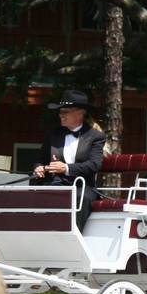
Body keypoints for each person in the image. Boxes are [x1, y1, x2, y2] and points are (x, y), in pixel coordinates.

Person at [32, 89, 105, 230]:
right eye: (60, 112)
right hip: (56, 184)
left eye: (65, 111)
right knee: (39, 194)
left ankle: (74, 236)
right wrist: (39, 167)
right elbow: (40, 159)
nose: (61, 115)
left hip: (83, 187)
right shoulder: (53, 134)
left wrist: (66, 168)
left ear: (80, 113)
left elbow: (94, 164)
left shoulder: (95, 136)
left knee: (81, 198)